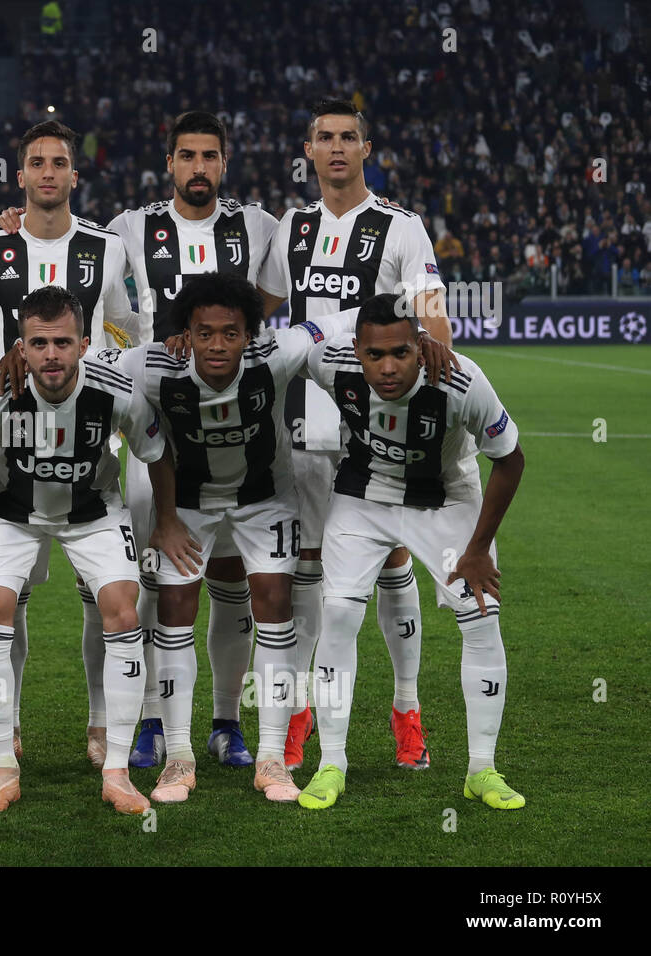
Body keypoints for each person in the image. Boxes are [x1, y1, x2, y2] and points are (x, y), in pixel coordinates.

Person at [119, 273, 454, 803]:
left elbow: (345, 319)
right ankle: (179, 758)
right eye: (203, 332)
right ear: (185, 332)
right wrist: (21, 351)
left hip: (264, 500)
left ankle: (272, 758)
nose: (216, 345)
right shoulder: (151, 366)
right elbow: (81, 372)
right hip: (186, 506)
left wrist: (426, 335)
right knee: (174, 607)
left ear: (252, 333)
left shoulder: (280, 352)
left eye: (230, 333)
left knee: (275, 603)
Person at [0, 285, 163, 814]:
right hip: (11, 514)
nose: (52, 354)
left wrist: (171, 524)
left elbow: (158, 453)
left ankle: (116, 770)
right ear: (20, 348)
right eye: (39, 342)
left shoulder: (117, 391)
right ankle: (4, 766)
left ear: (84, 345)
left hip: (93, 512)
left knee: (122, 610)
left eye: (63, 343)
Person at [257, 99, 451, 773]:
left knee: (392, 564)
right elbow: (265, 311)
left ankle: (406, 710)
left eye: (348, 138)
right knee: (309, 572)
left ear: (367, 148)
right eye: (324, 139)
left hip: (380, 425)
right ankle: (301, 719)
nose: (336, 148)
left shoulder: (402, 228)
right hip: (306, 425)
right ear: (308, 151)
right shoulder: (292, 226)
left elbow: (434, 324)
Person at [297, 293, 525, 811]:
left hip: (443, 500)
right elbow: (268, 349)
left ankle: (482, 769)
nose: (388, 367)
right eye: (374, 355)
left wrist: (477, 549)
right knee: (336, 617)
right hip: (362, 498)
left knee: (480, 617)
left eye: (400, 352)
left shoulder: (462, 380)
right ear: (355, 350)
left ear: (421, 347)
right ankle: (332, 762)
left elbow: (510, 459)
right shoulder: (328, 362)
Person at [0, 119, 142, 773]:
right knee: (6, 592)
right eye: (36, 162)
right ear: (20, 176)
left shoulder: (107, 248)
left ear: (75, 175)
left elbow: (130, 324)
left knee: (101, 593)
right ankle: (5, 729)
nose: (47, 172)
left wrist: (101, 374)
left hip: (91, 441)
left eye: (59, 162)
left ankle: (100, 723)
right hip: (11, 439)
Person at [108, 110, 278, 768]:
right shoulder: (130, 227)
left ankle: (227, 722)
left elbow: (269, 306)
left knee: (232, 576)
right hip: (156, 421)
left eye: (210, 155)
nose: (198, 167)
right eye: (187, 155)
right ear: (169, 163)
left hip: (235, 423)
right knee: (158, 576)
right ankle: (153, 717)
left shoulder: (258, 225)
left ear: (225, 161)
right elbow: (113, 305)